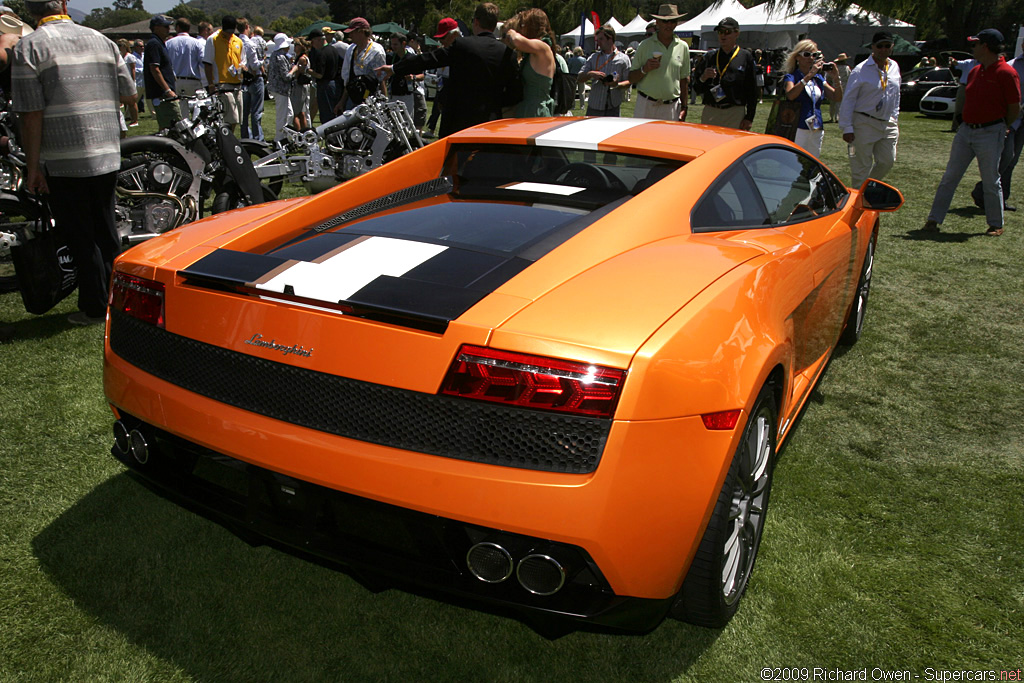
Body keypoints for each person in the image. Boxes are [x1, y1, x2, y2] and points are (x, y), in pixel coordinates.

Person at [11, 0, 136, 326]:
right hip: (106, 151)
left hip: (63, 158)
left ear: (29, 10)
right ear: (64, 4)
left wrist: (33, 165)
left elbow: (31, 115)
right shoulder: (102, 40)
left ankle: (96, 306)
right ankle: (119, 300)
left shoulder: (29, 47)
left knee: (80, 235)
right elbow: (130, 92)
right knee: (106, 230)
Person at [923, 29, 1020, 237]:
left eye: (975, 44)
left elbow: (1014, 107)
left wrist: (1002, 126)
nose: (972, 48)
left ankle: (995, 223)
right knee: (950, 177)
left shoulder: (1006, 73)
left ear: (985, 46)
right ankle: (933, 219)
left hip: (990, 131)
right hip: (967, 131)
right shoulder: (976, 71)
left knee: (991, 179)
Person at [376, 4, 520, 137]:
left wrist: (395, 68)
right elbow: (515, 93)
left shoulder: (463, 45)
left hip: (459, 121)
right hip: (491, 123)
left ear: (475, 21)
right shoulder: (508, 53)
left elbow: (429, 59)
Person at [838, 32, 901, 188]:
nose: (883, 49)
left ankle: (867, 190)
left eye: (887, 46)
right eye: (880, 46)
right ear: (873, 47)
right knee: (861, 168)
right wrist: (847, 127)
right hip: (864, 122)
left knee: (887, 161)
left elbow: (896, 94)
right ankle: (859, 206)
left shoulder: (894, 67)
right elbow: (849, 99)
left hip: (887, 123)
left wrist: (894, 116)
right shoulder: (860, 70)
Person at [971, 53, 1024, 212]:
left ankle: (1001, 199)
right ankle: (982, 191)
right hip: (1009, 119)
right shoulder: (1012, 66)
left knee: (1012, 161)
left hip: (1022, 123)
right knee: (1006, 157)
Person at [693, 17, 757, 129]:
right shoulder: (710, 57)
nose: (723, 36)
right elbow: (696, 87)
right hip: (711, 111)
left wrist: (749, 117)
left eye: (727, 32)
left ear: (736, 33)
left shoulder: (745, 57)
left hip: (734, 112)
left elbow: (752, 90)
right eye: (720, 32)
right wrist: (703, 77)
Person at [628, 4, 689, 122]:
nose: (669, 25)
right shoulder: (644, 45)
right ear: (657, 22)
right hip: (646, 105)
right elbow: (631, 78)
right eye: (665, 21)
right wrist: (644, 69)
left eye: (672, 21)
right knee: (642, 140)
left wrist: (684, 107)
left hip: (671, 107)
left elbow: (684, 80)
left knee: (668, 141)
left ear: (676, 23)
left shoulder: (683, 47)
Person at [782, 40, 843, 158]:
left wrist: (836, 78)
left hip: (816, 127)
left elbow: (837, 97)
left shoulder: (818, 78)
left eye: (814, 55)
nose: (811, 58)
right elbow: (791, 95)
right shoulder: (792, 76)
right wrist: (808, 76)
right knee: (795, 160)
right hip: (798, 126)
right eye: (806, 54)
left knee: (813, 161)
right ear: (797, 57)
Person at [503, 8, 556, 118]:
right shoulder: (532, 52)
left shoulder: (543, 47)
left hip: (536, 110)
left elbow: (517, 41)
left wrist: (512, 32)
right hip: (527, 108)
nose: (521, 29)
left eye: (522, 25)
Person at [203, 15, 245, 135]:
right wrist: (211, 84)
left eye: (232, 32)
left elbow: (243, 60)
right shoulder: (213, 40)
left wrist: (242, 67)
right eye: (227, 32)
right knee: (230, 118)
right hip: (222, 86)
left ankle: (227, 139)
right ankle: (225, 141)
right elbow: (208, 63)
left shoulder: (238, 41)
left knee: (236, 119)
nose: (229, 34)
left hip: (237, 84)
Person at [578, 25, 631, 117]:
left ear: (610, 39)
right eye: (597, 40)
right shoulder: (593, 57)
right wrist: (590, 74)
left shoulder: (624, 59)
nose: (598, 43)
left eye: (601, 39)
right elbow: (579, 78)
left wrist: (616, 84)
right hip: (595, 106)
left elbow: (629, 81)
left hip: (613, 106)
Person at [337, 17, 386, 112]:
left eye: (353, 32)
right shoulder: (351, 49)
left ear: (362, 32)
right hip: (352, 98)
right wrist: (342, 101)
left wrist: (384, 104)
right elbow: (348, 79)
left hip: (371, 99)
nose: (350, 35)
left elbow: (382, 80)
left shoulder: (376, 51)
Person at [143, 14, 181, 131]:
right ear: (156, 27)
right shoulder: (154, 43)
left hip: (164, 93)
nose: (168, 29)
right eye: (165, 26)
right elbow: (155, 69)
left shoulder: (159, 43)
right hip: (162, 95)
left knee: (169, 126)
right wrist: (167, 90)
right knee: (174, 125)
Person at [166, 17, 204, 119]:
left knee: (181, 108)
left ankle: (183, 128)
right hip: (193, 80)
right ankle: (195, 127)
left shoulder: (168, 43)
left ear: (177, 28)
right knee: (198, 104)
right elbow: (203, 62)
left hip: (175, 80)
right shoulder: (197, 43)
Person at [237, 18, 264, 139]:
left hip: (243, 80)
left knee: (244, 113)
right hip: (255, 79)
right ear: (247, 26)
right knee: (256, 112)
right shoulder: (250, 44)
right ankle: (258, 138)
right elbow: (254, 65)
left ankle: (245, 136)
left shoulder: (236, 42)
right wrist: (262, 60)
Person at [265, 32, 294, 141]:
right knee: (282, 115)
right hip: (281, 89)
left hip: (279, 89)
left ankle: (286, 136)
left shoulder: (274, 54)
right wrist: (294, 69)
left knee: (289, 114)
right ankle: (279, 139)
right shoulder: (281, 57)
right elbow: (286, 76)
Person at [307, 28, 338, 125]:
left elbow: (320, 75)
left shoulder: (322, 53)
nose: (312, 45)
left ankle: (330, 138)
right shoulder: (333, 49)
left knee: (326, 116)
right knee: (333, 113)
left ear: (318, 40)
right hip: (334, 84)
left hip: (325, 86)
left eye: (312, 42)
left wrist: (307, 70)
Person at [289, 36, 311, 130]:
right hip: (303, 87)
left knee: (294, 113)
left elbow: (297, 73)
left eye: (296, 45)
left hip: (299, 87)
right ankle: (304, 131)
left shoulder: (302, 59)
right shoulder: (302, 57)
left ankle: (298, 134)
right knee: (302, 113)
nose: (294, 47)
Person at [115, 38, 139, 125]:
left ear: (125, 46)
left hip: (130, 81)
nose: (119, 47)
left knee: (132, 102)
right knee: (125, 101)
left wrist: (133, 81)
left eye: (120, 45)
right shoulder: (120, 56)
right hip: (123, 80)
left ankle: (135, 120)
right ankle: (128, 116)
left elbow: (133, 69)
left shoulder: (130, 57)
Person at [829, 52, 851, 122]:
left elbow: (829, 77)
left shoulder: (834, 68)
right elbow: (849, 77)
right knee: (840, 102)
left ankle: (832, 117)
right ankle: (837, 117)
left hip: (834, 84)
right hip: (843, 85)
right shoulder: (846, 68)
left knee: (832, 102)